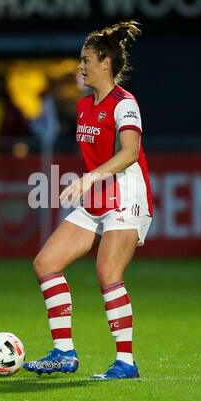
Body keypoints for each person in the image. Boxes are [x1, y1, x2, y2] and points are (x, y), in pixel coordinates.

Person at [24, 21, 153, 380]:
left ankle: (126, 362)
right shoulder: (83, 107)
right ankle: (64, 353)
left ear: (105, 64)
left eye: (86, 60)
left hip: (126, 196)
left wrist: (90, 178)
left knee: (107, 273)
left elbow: (129, 152)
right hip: (97, 196)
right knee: (46, 263)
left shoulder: (124, 104)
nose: (80, 67)